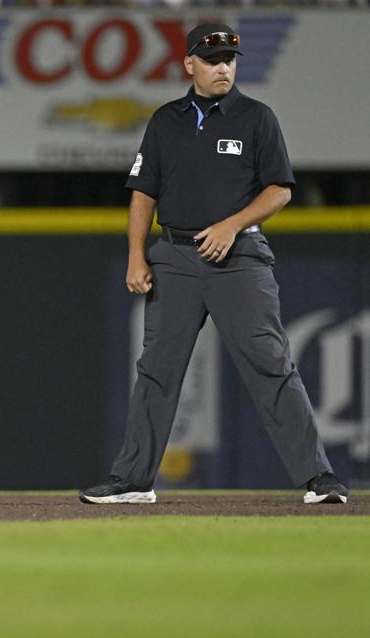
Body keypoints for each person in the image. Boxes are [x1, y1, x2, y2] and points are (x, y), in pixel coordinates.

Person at [79, 24, 348, 505]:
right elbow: (144, 193)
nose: (223, 66)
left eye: (229, 58)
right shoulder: (165, 120)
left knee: (271, 364)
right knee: (157, 371)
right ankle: (134, 481)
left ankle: (319, 478)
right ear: (189, 65)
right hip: (176, 256)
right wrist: (136, 254)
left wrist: (231, 225)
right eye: (212, 58)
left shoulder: (256, 117)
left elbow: (280, 189)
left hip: (239, 256)